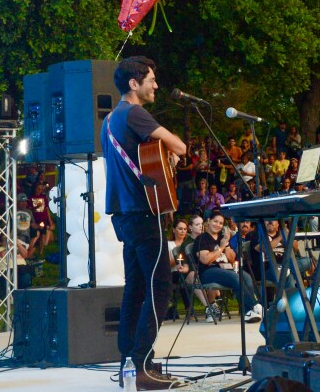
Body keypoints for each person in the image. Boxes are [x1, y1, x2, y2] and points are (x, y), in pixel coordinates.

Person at [101, 56, 188, 389]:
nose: (155, 84)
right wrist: (173, 154)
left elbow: (139, 159)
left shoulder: (109, 120)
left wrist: (163, 161)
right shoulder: (135, 113)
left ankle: (129, 363)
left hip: (123, 214)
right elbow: (178, 144)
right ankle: (141, 367)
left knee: (135, 288)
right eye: (151, 79)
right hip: (142, 212)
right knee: (159, 287)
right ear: (134, 84)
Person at [193, 211, 263, 323]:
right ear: (208, 221)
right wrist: (220, 248)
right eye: (215, 221)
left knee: (245, 276)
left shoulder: (222, 238)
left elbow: (231, 259)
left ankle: (249, 311)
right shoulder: (201, 239)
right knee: (235, 277)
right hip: (208, 272)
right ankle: (255, 306)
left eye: (220, 223)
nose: (217, 225)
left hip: (226, 270)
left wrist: (227, 244)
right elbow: (205, 260)